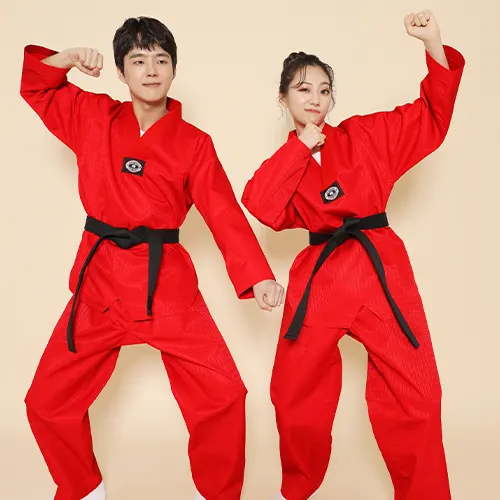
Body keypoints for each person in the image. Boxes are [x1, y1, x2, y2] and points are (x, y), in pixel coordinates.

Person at [21, 16, 284, 500]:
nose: (151, 70)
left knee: (225, 395)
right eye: (138, 60)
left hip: (166, 286)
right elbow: (37, 86)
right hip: (101, 284)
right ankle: (83, 489)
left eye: (161, 59)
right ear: (121, 71)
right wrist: (68, 58)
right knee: (45, 401)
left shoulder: (194, 143)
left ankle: (218, 494)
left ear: (174, 69)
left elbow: (223, 213)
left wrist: (259, 276)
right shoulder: (92, 116)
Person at [242, 10, 465, 500]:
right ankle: (297, 489)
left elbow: (431, 115)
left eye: (324, 90)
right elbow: (261, 204)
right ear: (283, 98)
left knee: (418, 391)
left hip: (379, 268)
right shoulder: (288, 161)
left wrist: (432, 42)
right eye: (303, 89)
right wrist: (300, 148)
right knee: (291, 393)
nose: (315, 99)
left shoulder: (366, 136)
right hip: (320, 276)